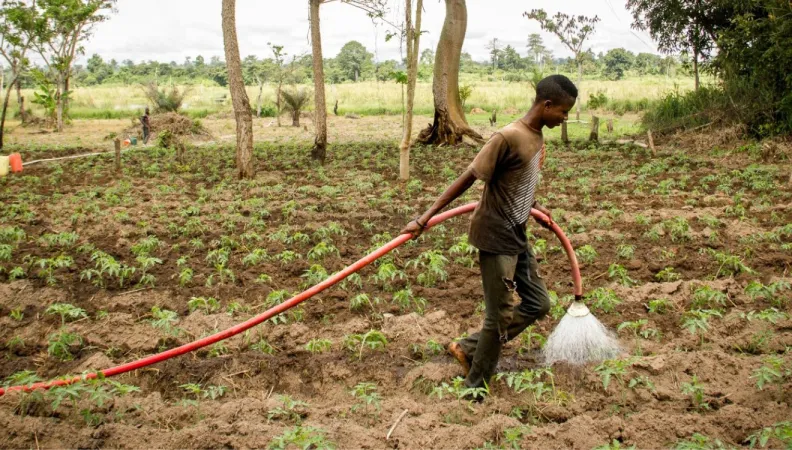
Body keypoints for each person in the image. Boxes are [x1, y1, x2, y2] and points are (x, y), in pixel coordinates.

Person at [400, 75, 578, 395]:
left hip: (517, 233)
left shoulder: (536, 138)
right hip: (495, 236)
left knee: (538, 303)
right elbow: (468, 177)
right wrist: (425, 218)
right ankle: (474, 388)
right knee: (499, 318)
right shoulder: (507, 136)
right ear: (547, 105)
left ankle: (468, 348)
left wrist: (535, 206)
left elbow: (518, 181)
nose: (565, 118)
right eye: (563, 112)